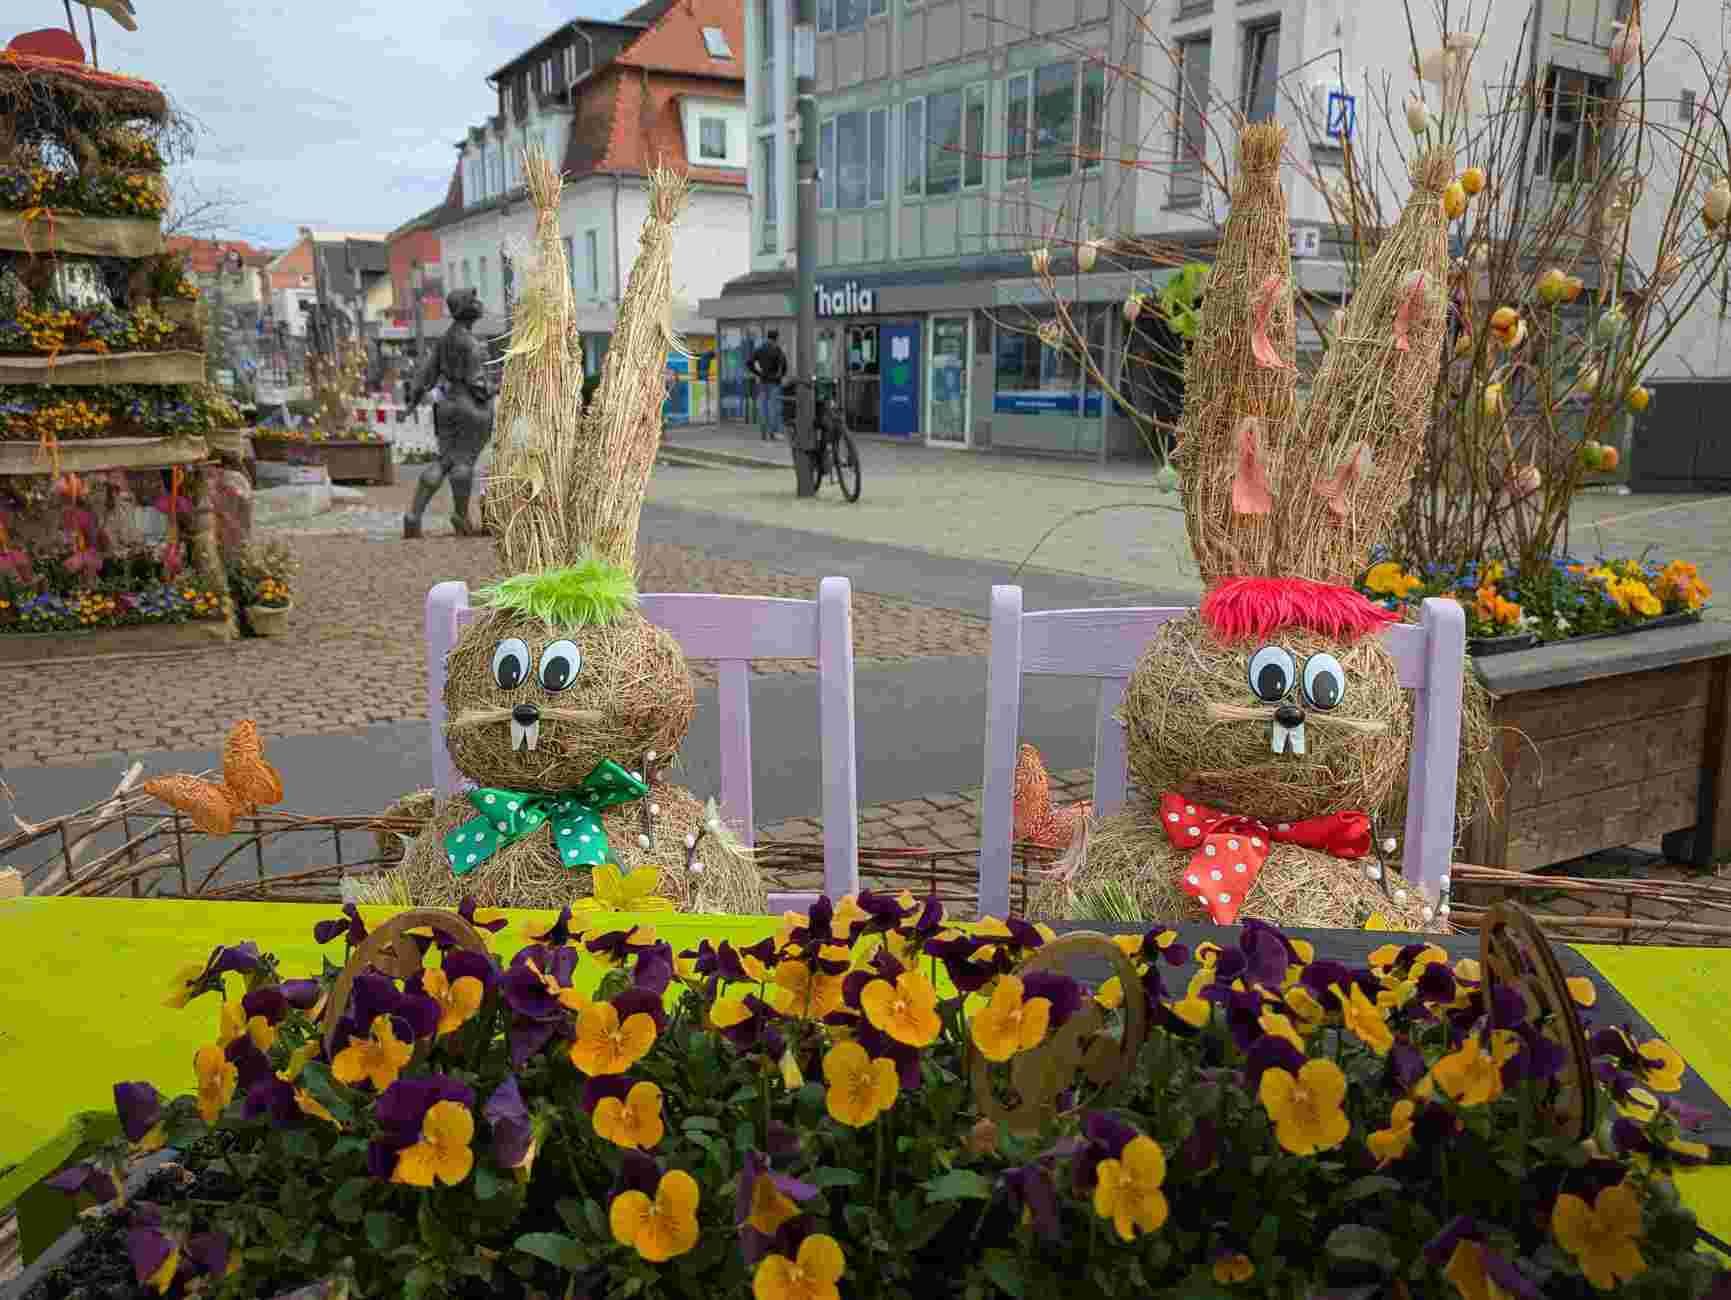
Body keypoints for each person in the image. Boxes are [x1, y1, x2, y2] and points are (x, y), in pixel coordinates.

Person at [397, 288, 494, 539]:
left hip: (447, 406)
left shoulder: (444, 339)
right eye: (474, 301)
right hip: (468, 407)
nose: (479, 304)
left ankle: (413, 516)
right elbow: (476, 382)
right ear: (467, 310)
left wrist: (411, 404)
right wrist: (492, 390)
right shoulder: (470, 343)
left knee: (444, 460)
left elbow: (425, 376)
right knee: (463, 462)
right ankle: (461, 517)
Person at [747, 329, 787, 441]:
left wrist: (758, 373)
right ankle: (773, 432)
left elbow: (749, 362)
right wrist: (780, 376)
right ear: (776, 338)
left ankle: (763, 432)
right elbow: (784, 366)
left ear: (767, 337)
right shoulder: (777, 350)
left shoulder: (760, 349)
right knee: (774, 407)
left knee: (763, 408)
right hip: (774, 383)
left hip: (763, 382)